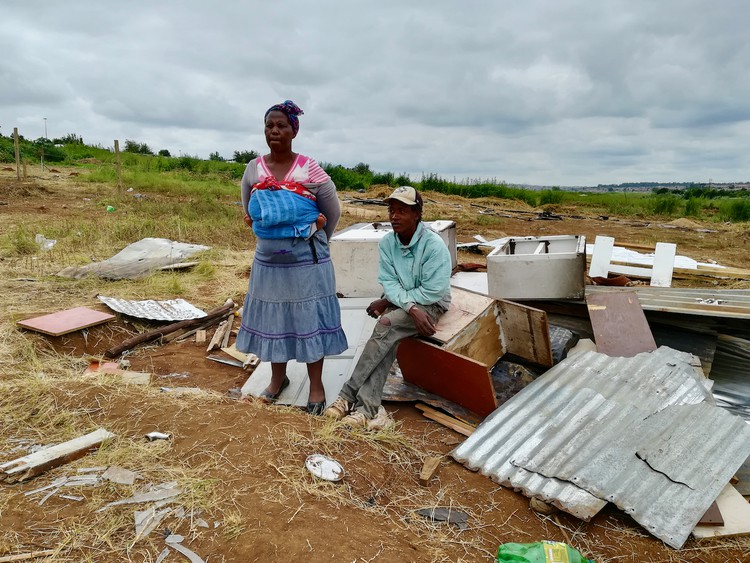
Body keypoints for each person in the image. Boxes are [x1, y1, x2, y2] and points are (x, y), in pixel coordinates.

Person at [236, 100, 348, 415]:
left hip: (307, 261)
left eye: (281, 125)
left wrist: (317, 235)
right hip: (269, 263)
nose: (274, 131)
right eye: (269, 125)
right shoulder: (254, 167)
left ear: (293, 130)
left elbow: (333, 210)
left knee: (309, 318)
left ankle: (315, 387)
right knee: (275, 320)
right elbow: (249, 208)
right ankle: (276, 381)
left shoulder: (309, 167)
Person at [324, 186, 452, 429]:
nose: (394, 216)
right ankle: (366, 409)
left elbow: (433, 291)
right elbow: (389, 284)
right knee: (388, 336)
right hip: (408, 304)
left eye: (402, 210)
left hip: (432, 306)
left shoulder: (433, 246)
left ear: (417, 214)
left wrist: (403, 303)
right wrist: (406, 305)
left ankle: (346, 396)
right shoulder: (387, 244)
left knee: (385, 325)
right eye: (392, 210)